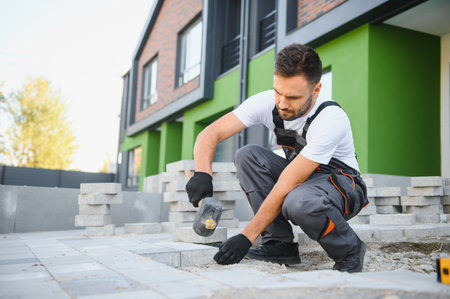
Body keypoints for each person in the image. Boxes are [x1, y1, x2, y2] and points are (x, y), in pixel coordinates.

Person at [185, 43, 369, 273]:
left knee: (298, 201)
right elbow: (210, 133)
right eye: (278, 92)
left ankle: (349, 250)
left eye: (292, 97)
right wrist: (203, 173)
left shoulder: (330, 119)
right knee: (247, 156)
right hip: (303, 179)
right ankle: (279, 244)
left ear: (316, 90)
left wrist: (246, 236)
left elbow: (287, 185)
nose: (282, 103)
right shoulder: (267, 102)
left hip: (343, 185)